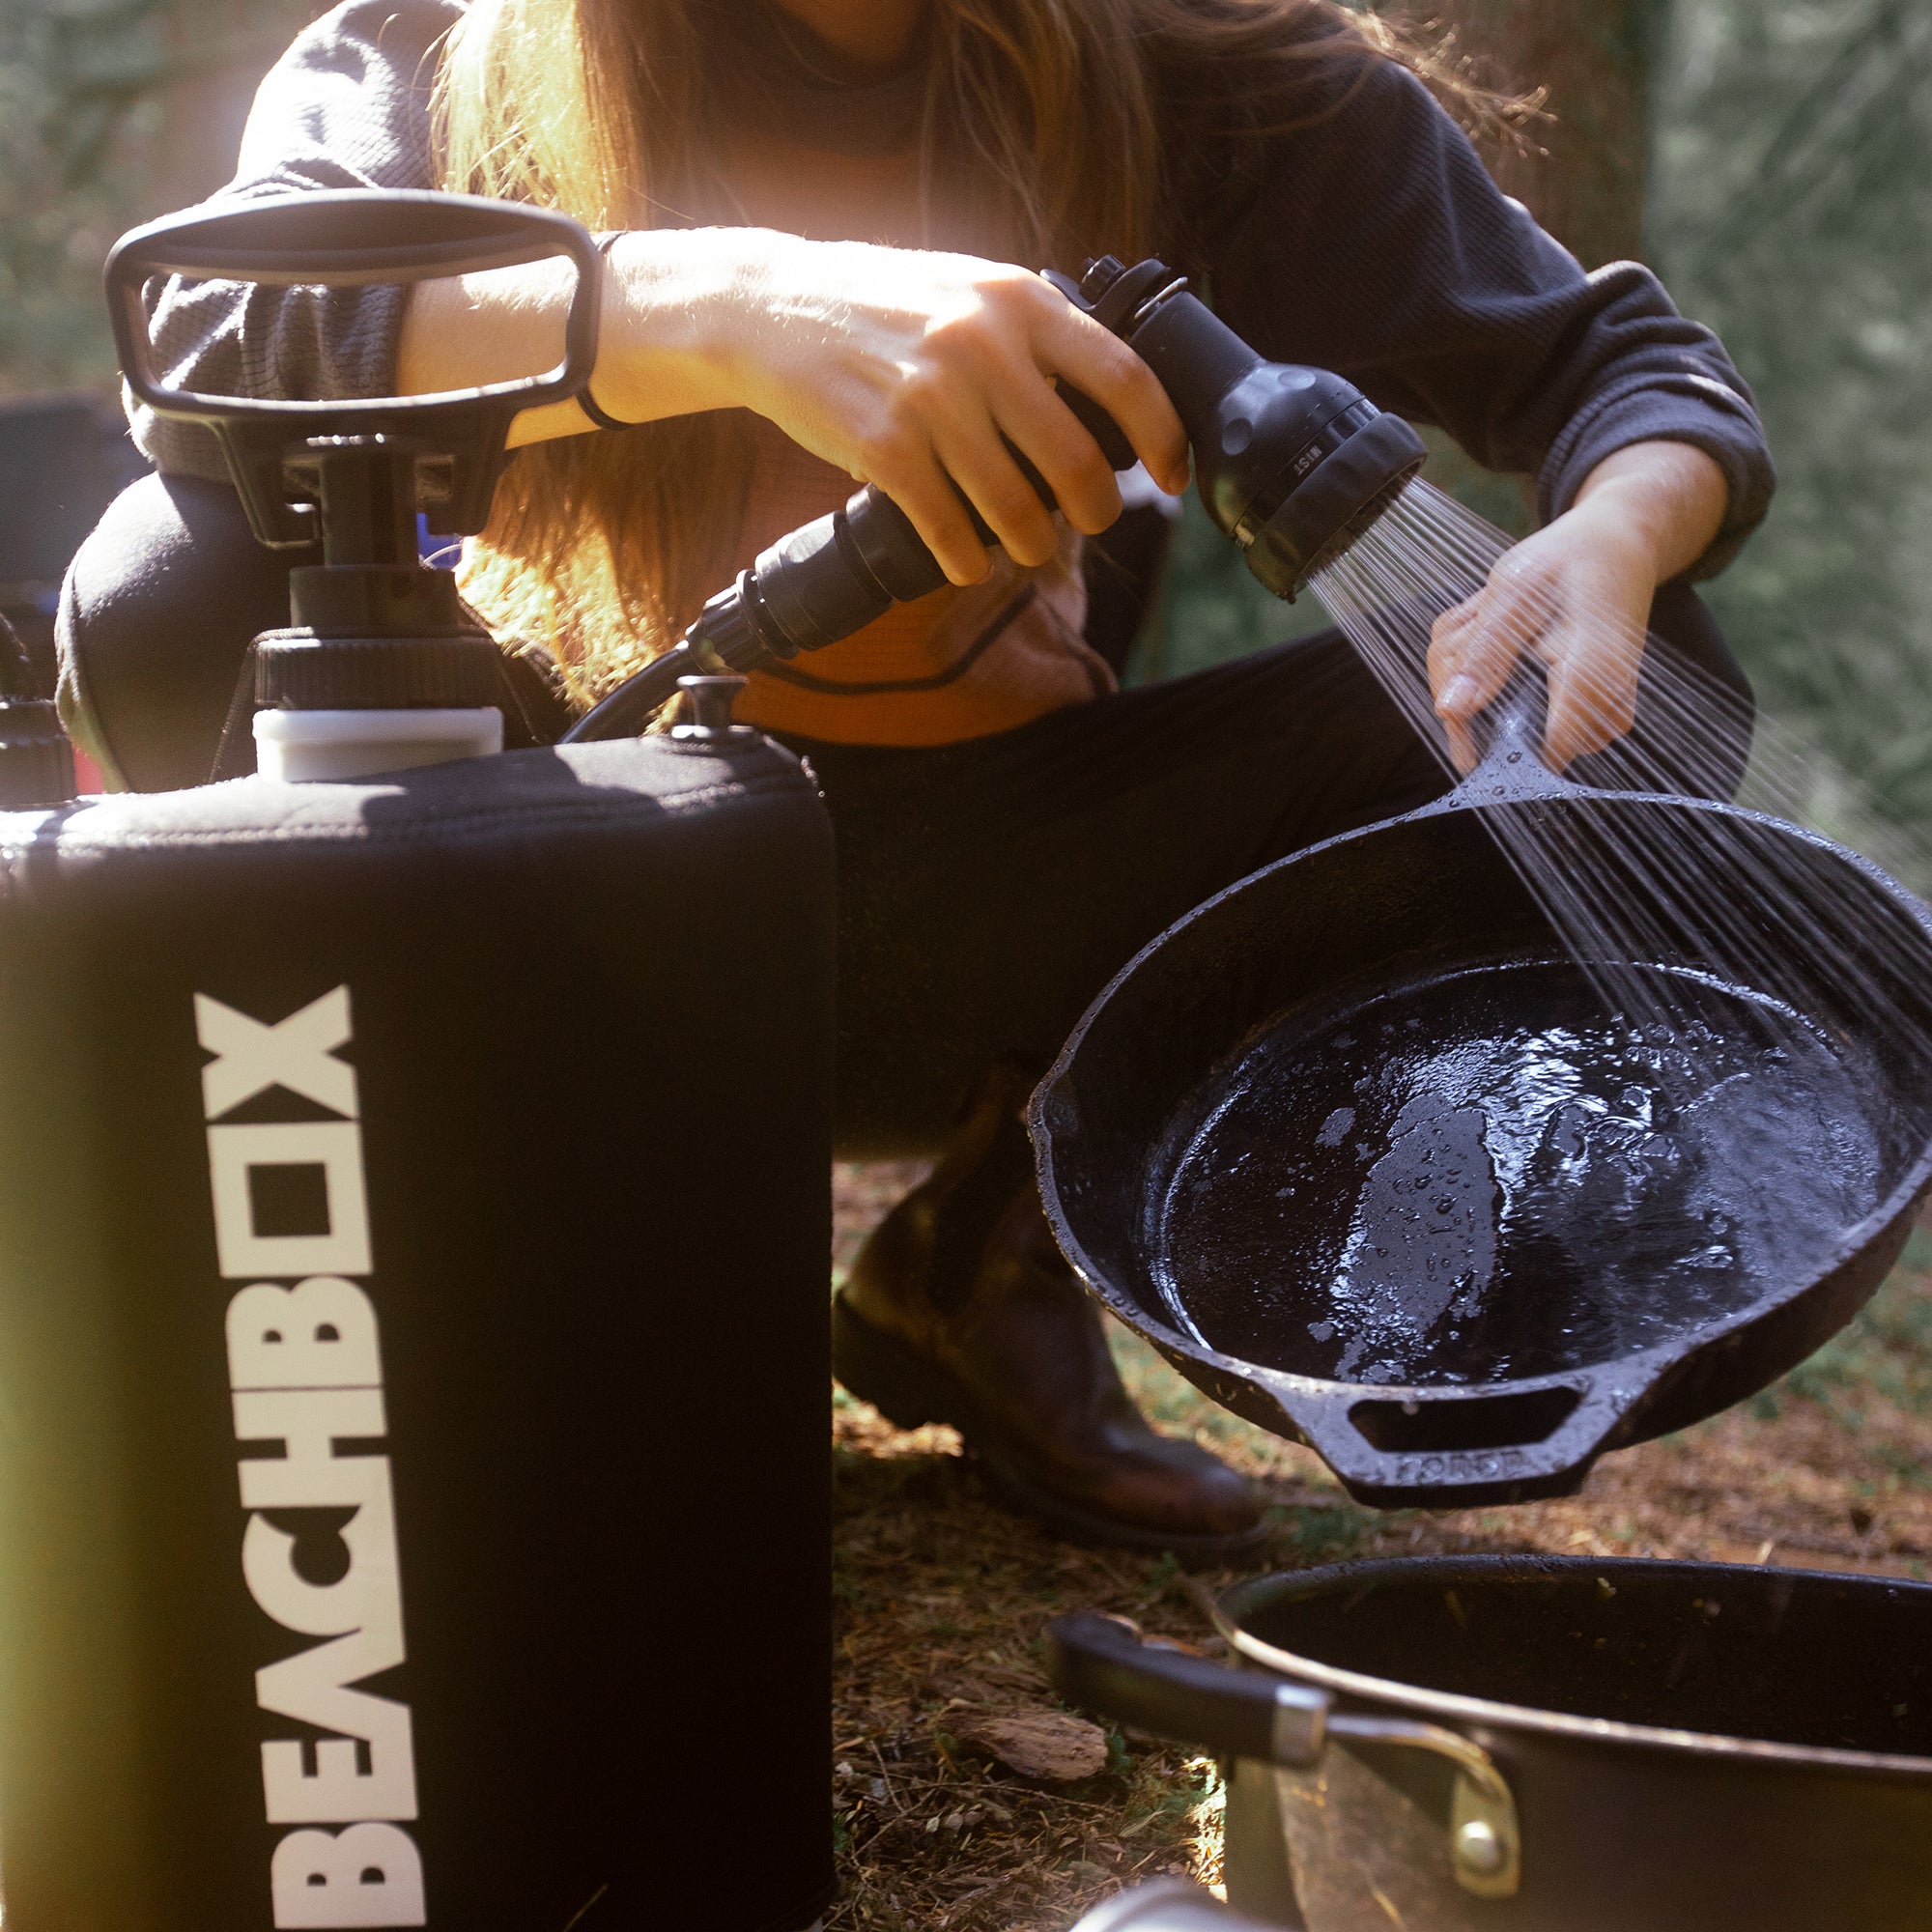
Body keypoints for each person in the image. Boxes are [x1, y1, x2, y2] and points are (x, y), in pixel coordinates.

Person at [60, 0, 1773, 1555]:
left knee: (1634, 684)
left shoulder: (1210, 75)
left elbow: (1631, 373)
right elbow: (208, 331)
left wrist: (1620, 523)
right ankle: (477, 1297)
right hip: (558, 901)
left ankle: (993, 1251)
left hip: (998, 930)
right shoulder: (438, 53)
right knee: (165, 582)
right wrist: (707, 308)